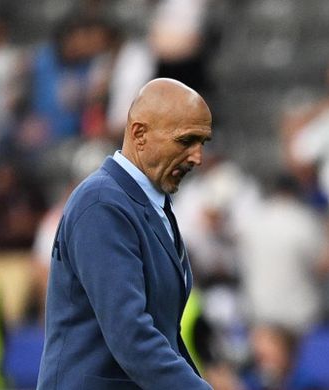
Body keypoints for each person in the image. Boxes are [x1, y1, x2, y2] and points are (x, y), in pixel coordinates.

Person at [37, 78, 213, 389]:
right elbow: (130, 335)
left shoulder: (150, 204)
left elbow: (164, 335)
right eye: (186, 141)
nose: (197, 157)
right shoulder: (103, 204)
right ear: (139, 134)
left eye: (203, 143)